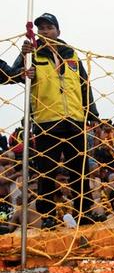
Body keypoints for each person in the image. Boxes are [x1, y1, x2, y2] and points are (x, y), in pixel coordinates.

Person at [10, 13, 99, 229]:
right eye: (41, 29)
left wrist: (92, 114)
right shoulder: (32, 52)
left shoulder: (72, 54)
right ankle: (48, 215)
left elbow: (84, 84)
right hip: (46, 119)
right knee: (46, 170)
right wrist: (24, 56)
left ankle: (84, 212)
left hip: (75, 118)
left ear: (58, 31)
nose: (45, 32)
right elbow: (14, 75)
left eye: (49, 28)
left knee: (80, 169)